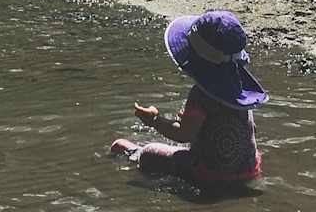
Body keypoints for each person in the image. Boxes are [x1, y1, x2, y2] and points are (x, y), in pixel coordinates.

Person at [111, 9, 266, 187]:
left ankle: (134, 152)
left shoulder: (201, 95)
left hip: (209, 175)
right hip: (248, 171)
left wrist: (154, 119)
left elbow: (183, 134)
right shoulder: (243, 90)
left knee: (148, 152)